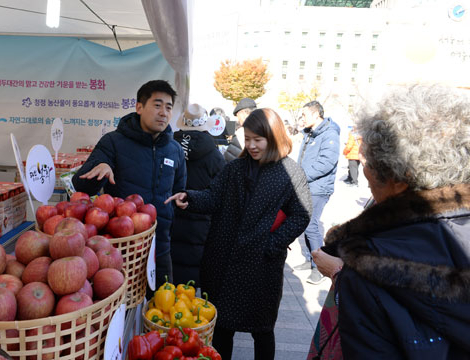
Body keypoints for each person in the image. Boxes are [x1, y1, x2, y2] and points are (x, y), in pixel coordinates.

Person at [312, 84, 470, 359]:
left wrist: (341, 274)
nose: (362, 164)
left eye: (369, 158)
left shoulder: (369, 266)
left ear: (398, 177)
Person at [166, 108, 312, 360]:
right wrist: (190, 197)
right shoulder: (235, 168)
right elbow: (213, 195)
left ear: (274, 136)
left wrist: (272, 244)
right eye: (248, 139)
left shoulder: (291, 172)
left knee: (263, 330)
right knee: (222, 327)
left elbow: (301, 214)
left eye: (258, 140)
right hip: (223, 260)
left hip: (261, 267)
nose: (252, 146)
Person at [72, 80, 186, 286]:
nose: (163, 112)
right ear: (139, 107)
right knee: (126, 309)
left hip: (160, 247)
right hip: (121, 248)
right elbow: (80, 185)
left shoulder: (175, 150)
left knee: (161, 306)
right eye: (157, 105)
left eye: (168, 107)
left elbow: (179, 190)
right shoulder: (113, 142)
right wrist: (101, 169)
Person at [170, 103, 225, 285]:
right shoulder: (215, 156)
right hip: (201, 225)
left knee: (169, 277)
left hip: (169, 220)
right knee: (192, 282)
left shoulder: (169, 148)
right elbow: (221, 194)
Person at [293, 100, 340, 285]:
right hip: (307, 186)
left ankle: (319, 267)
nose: (301, 119)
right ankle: (309, 258)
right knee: (306, 222)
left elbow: (326, 163)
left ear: (315, 115)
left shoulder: (329, 134)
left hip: (319, 188)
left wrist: (301, 176)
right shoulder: (310, 133)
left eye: (304, 115)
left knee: (311, 224)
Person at [224, 97, 257, 162]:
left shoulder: (241, 133)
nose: (238, 119)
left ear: (243, 113)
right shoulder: (265, 128)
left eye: (238, 115)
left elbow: (229, 159)